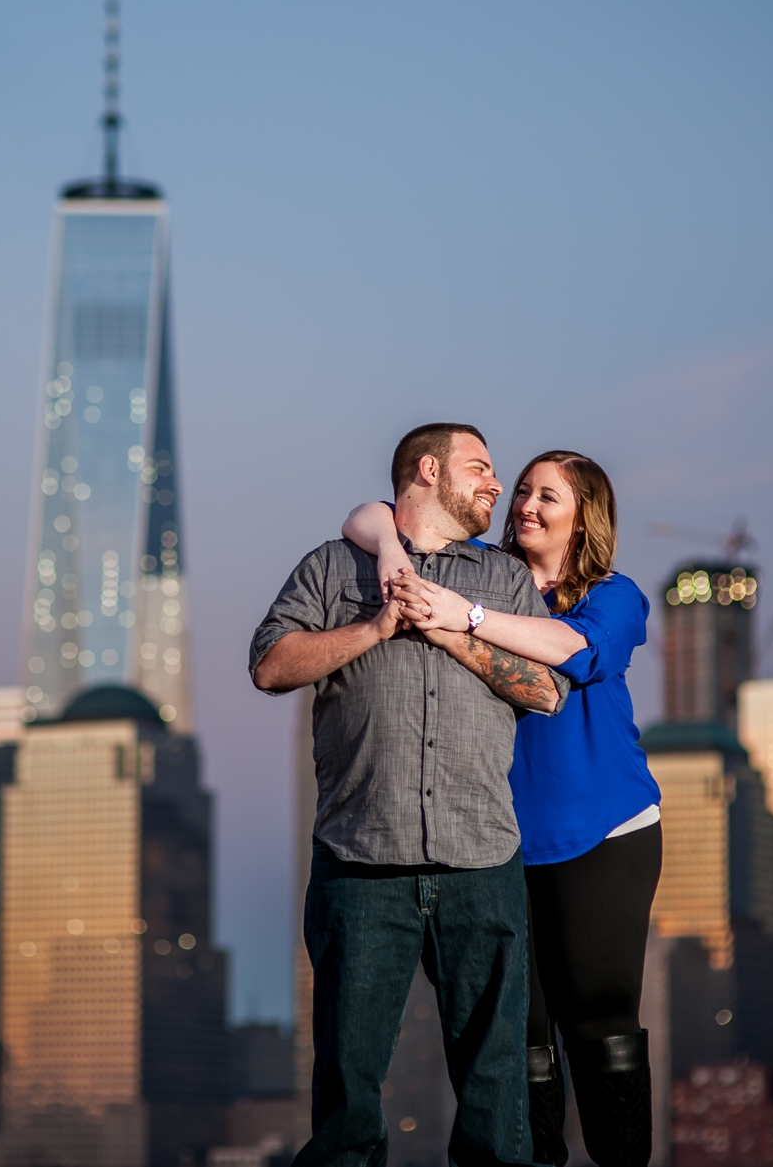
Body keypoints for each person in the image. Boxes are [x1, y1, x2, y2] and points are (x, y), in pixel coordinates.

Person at [251, 423, 570, 1167]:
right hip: (360, 864)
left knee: (497, 1096)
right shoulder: (333, 570)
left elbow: (547, 689)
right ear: (429, 470)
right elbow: (270, 665)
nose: (498, 485)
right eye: (481, 468)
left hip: (483, 866)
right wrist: (377, 626)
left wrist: (453, 633)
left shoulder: (502, 580)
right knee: (346, 1094)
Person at [343, 450, 658, 1167]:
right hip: (498, 841)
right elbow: (364, 516)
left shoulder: (611, 595)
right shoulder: (479, 568)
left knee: (600, 1020)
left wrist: (465, 615)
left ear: (584, 519)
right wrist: (396, 551)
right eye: (521, 490)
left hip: (604, 835)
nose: (525, 505)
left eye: (548, 496)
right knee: (520, 1032)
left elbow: (570, 651)